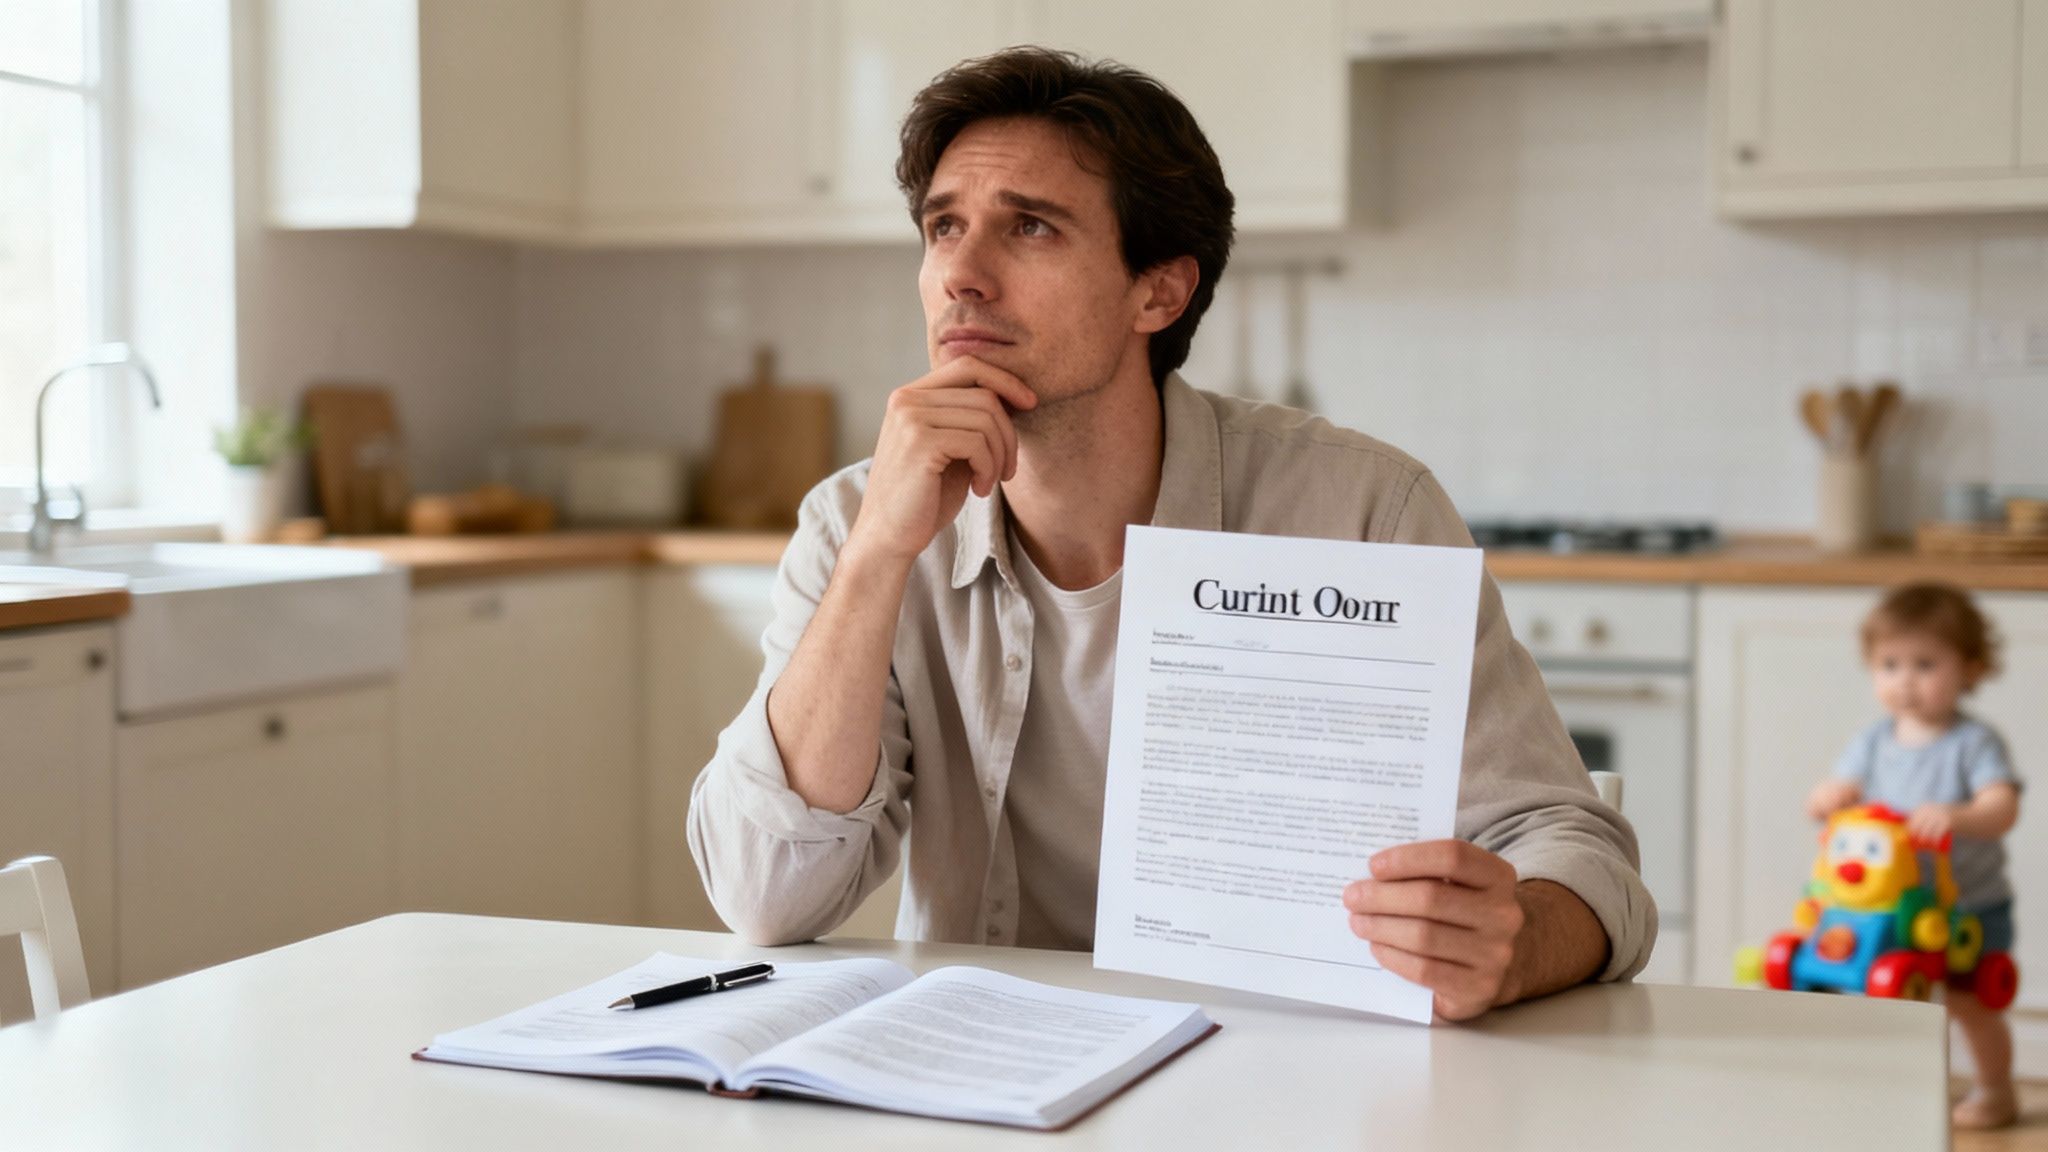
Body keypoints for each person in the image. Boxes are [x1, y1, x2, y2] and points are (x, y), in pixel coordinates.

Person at [688, 46, 1656, 1022]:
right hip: (983, 1073)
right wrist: (876, 559)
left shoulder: (1365, 514)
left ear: (1158, 292)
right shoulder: (855, 526)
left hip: (1284, 1066)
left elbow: (1573, 849)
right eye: (944, 227)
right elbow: (767, 896)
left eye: (1027, 226)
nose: (961, 278)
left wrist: (1515, 939)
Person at [1805, 583, 2023, 1131]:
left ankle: (1996, 1090)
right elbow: (1831, 793)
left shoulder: (1972, 742)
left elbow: (2003, 806)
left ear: (1970, 669)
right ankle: (1895, 1091)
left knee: (1972, 1005)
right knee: (1893, 1003)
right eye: (1889, 664)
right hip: (1891, 910)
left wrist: (1958, 815)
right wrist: (1829, 797)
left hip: (1967, 906)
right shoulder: (1874, 741)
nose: (1904, 680)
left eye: (1925, 664)